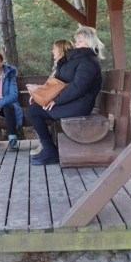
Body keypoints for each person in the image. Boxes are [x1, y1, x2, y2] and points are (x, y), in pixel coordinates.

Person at [26, 27, 105, 165]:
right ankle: (49, 149)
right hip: (72, 101)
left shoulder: (89, 61)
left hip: (79, 105)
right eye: (76, 40)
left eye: (80, 41)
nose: (76, 43)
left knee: (33, 112)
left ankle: (50, 151)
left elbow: (78, 87)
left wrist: (56, 100)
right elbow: (60, 82)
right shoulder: (78, 58)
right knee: (34, 110)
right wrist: (41, 94)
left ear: (89, 42)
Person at [27, 39, 74, 156]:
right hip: (60, 101)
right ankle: (45, 145)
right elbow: (53, 86)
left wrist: (38, 89)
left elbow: (60, 87)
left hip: (65, 103)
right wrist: (38, 93)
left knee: (32, 112)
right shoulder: (60, 65)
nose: (52, 51)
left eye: (55, 49)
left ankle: (48, 148)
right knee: (33, 109)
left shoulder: (66, 66)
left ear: (62, 50)